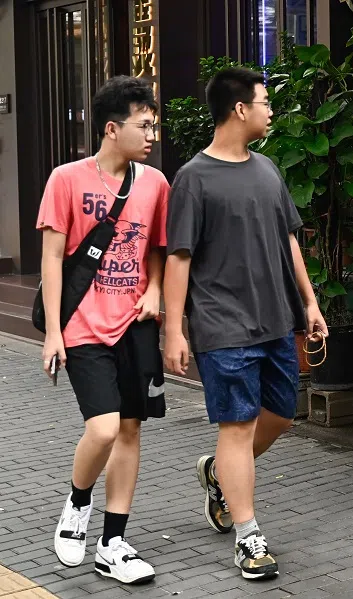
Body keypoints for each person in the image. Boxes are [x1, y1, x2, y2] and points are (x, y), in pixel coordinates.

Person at [163, 66, 328, 580]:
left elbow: (289, 241)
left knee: (279, 415)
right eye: (264, 101)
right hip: (222, 323)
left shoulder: (268, 169)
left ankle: (218, 475)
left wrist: (310, 302)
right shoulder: (192, 178)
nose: (270, 109)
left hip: (275, 317)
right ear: (240, 109)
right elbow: (179, 258)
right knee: (236, 426)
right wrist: (175, 329)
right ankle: (248, 536)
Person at [39, 76, 168, 583]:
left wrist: (155, 290)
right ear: (112, 129)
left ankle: (113, 541)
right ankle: (77, 503)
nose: (152, 134)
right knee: (105, 427)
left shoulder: (155, 183)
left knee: (131, 430)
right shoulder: (66, 179)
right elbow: (52, 258)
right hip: (83, 325)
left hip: (134, 324)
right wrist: (53, 331)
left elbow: (157, 246)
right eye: (143, 125)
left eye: (154, 125)